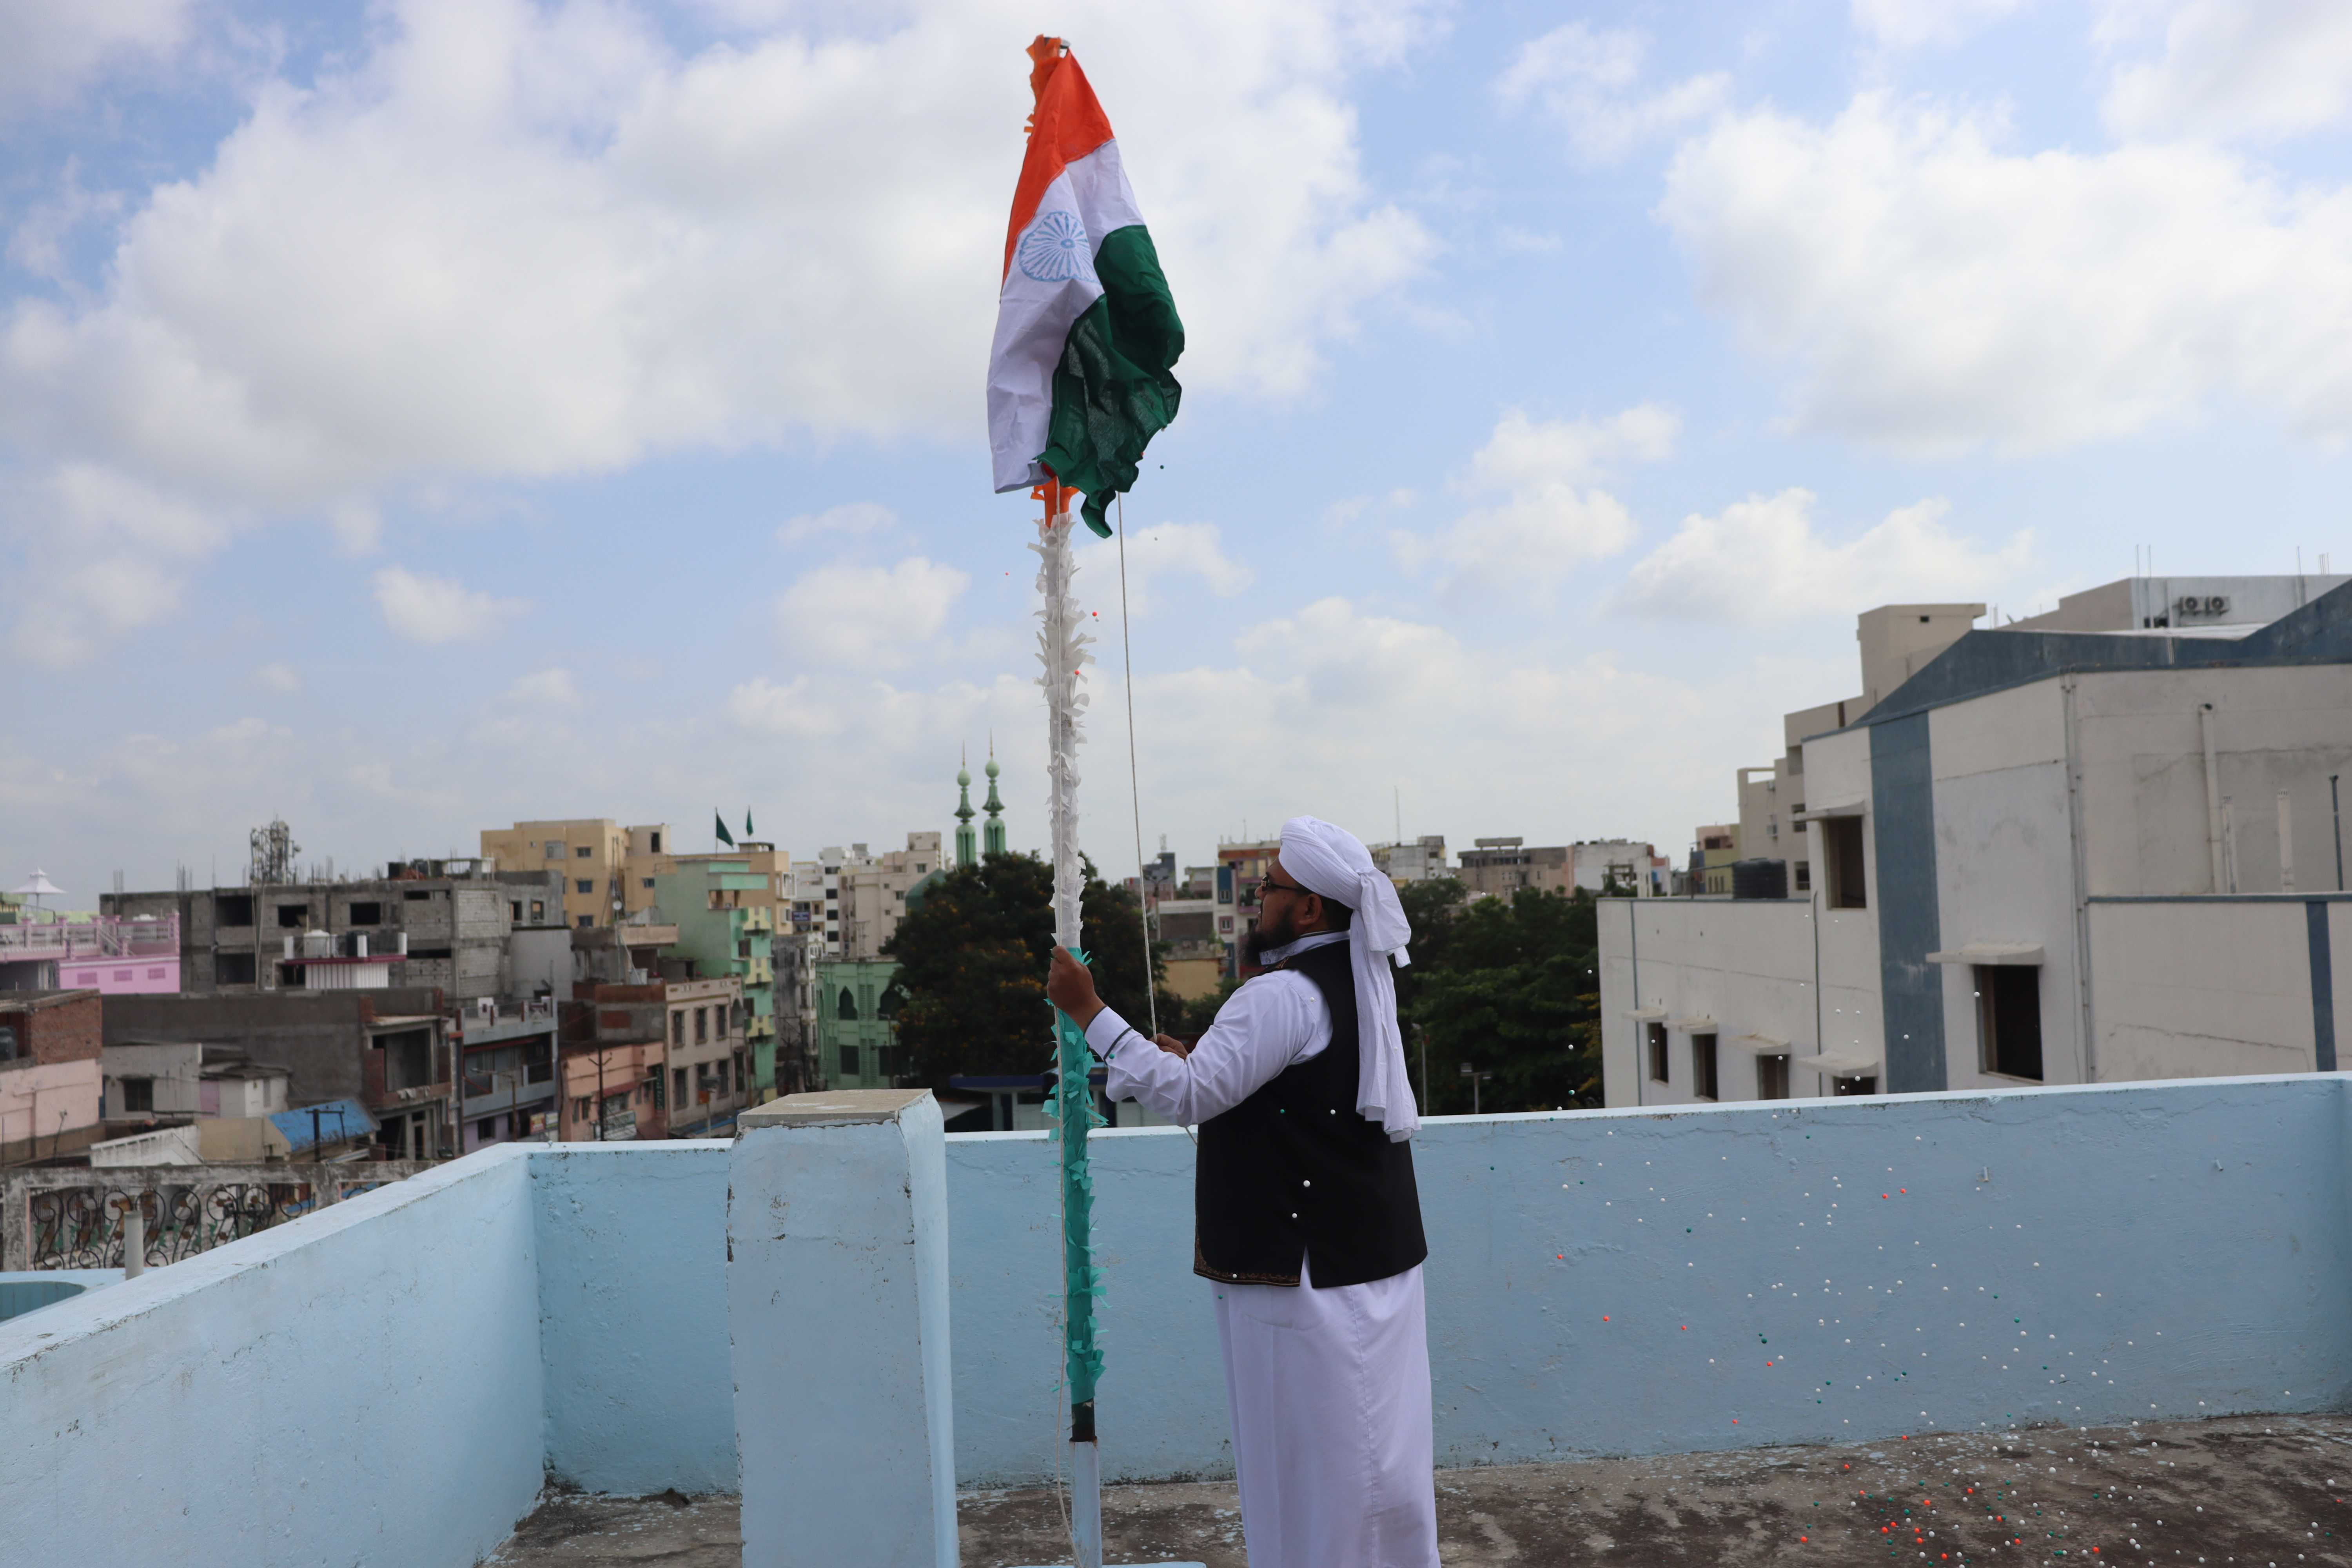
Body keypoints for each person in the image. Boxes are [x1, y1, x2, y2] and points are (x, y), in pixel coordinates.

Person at [1045, 815, 1437, 1568]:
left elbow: (1190, 1095)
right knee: (1373, 1471)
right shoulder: (1360, 982)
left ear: (1310, 908)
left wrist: (1090, 1012)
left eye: (1271, 888)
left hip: (1307, 1283)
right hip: (1369, 1266)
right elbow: (1284, 1084)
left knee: (1310, 1477)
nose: (1260, 899)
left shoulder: (1282, 996)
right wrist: (1195, 1059)